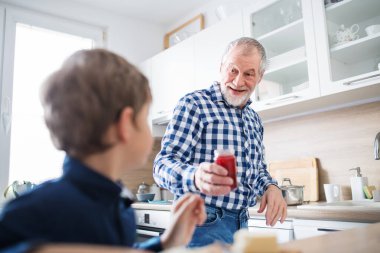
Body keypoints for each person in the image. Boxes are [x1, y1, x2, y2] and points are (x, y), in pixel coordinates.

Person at [0, 49, 206, 253]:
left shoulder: (118, 204)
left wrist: (167, 242)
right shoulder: (34, 211)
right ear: (125, 124)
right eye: (144, 117)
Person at [153, 37, 287, 247]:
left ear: (259, 77)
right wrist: (196, 176)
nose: (238, 81)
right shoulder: (194, 105)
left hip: (242, 223)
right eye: (232, 70)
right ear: (221, 67)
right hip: (202, 223)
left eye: (249, 74)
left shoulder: (254, 119)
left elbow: (258, 169)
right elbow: (161, 165)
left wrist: (271, 187)